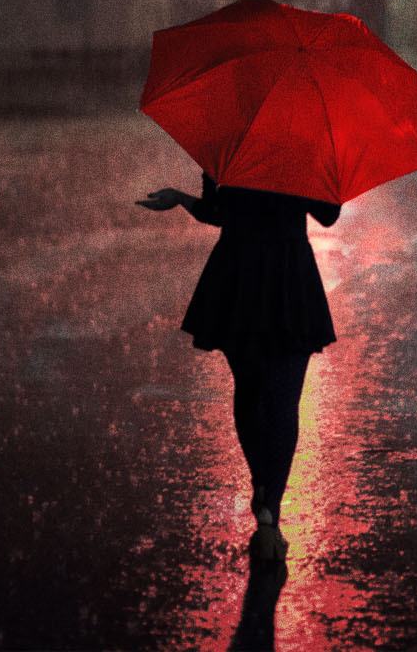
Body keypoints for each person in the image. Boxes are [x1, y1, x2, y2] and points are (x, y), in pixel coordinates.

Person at [137, 171, 341, 561]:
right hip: (288, 276)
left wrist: (180, 198)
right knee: (284, 402)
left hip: (238, 275)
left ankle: (262, 484)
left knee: (249, 389)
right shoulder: (305, 151)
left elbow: (216, 213)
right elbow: (328, 216)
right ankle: (270, 512)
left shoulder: (231, 144)